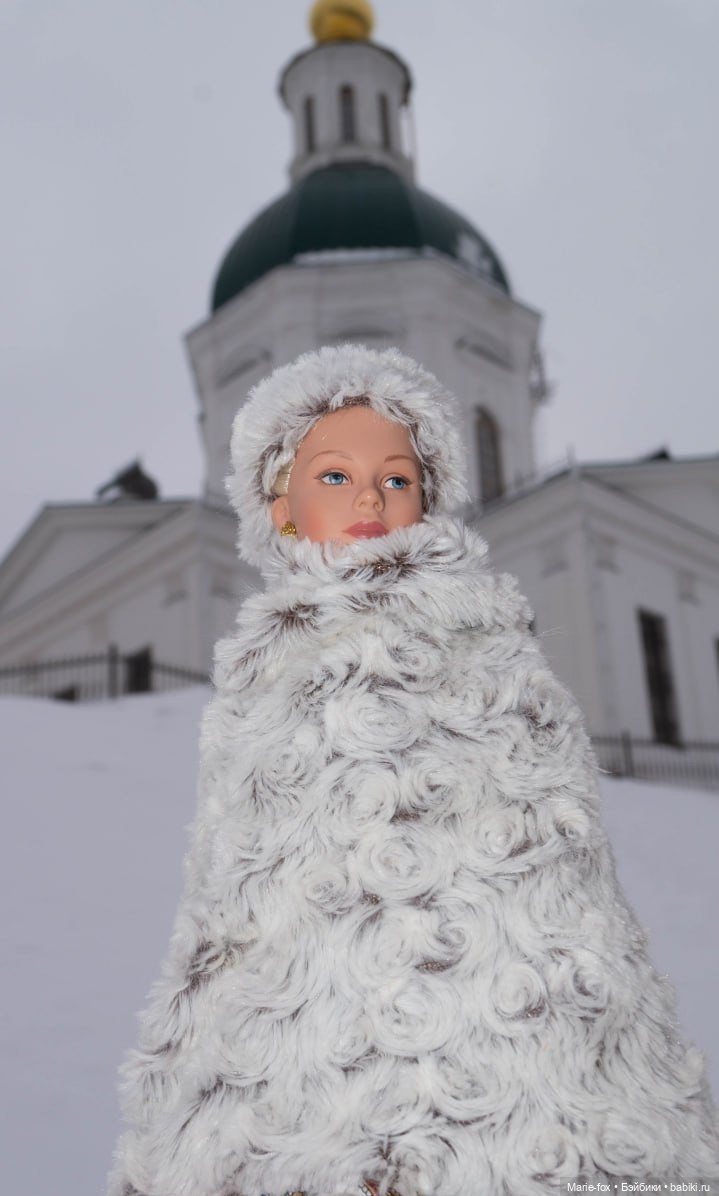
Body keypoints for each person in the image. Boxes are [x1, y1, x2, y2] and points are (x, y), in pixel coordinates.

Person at [107, 344, 719, 1196]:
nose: (368, 497)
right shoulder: (260, 679)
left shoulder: (486, 638)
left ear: (428, 500)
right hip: (302, 1079)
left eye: (396, 479)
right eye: (333, 477)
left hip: (504, 1052)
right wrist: (203, 1063)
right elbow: (226, 898)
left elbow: (557, 853)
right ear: (279, 507)